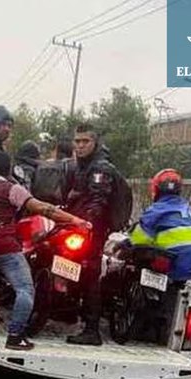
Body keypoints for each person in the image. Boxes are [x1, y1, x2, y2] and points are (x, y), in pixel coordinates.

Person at [0, 152, 91, 350]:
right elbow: (43, 209)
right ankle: (15, 335)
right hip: (5, 247)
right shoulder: (12, 189)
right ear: (9, 169)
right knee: (25, 289)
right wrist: (75, 220)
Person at [121, 168, 191, 322]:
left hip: (171, 261)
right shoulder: (188, 209)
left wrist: (124, 244)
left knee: (136, 259)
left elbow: (139, 239)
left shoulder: (157, 209)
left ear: (156, 189)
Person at [63, 122, 121, 346]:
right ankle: (69, 311)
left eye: (85, 141)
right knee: (72, 267)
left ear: (95, 143)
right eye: (77, 141)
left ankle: (92, 330)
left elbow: (98, 202)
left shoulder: (100, 168)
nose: (80, 146)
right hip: (77, 225)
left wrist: (86, 224)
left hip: (91, 231)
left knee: (89, 275)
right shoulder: (82, 166)